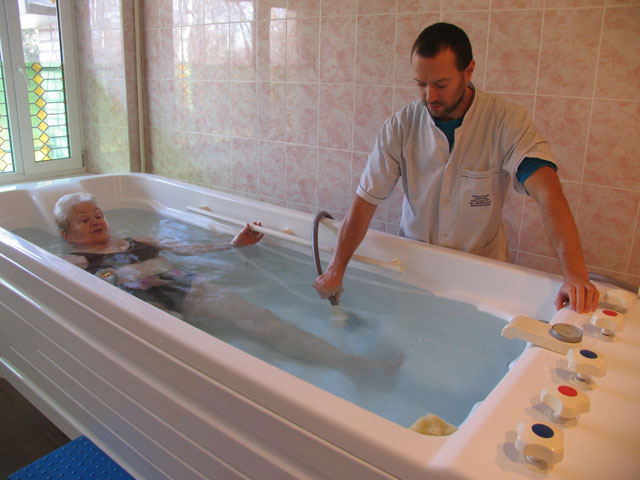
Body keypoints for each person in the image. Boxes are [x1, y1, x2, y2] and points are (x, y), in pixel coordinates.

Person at [314, 22, 599, 314]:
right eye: (421, 84)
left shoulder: (504, 121)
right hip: (415, 266)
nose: (430, 96)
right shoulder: (401, 126)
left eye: (441, 84)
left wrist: (575, 275)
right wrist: (336, 269)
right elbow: (365, 202)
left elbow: (548, 191)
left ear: (468, 71)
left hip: (480, 273)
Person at [54, 192, 399, 377]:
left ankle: (346, 362)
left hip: (183, 286)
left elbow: (187, 249)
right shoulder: (77, 260)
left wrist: (233, 245)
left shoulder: (135, 240)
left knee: (259, 319)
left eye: (98, 214)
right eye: (84, 219)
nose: (96, 221)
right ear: (68, 235)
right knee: (180, 348)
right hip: (143, 305)